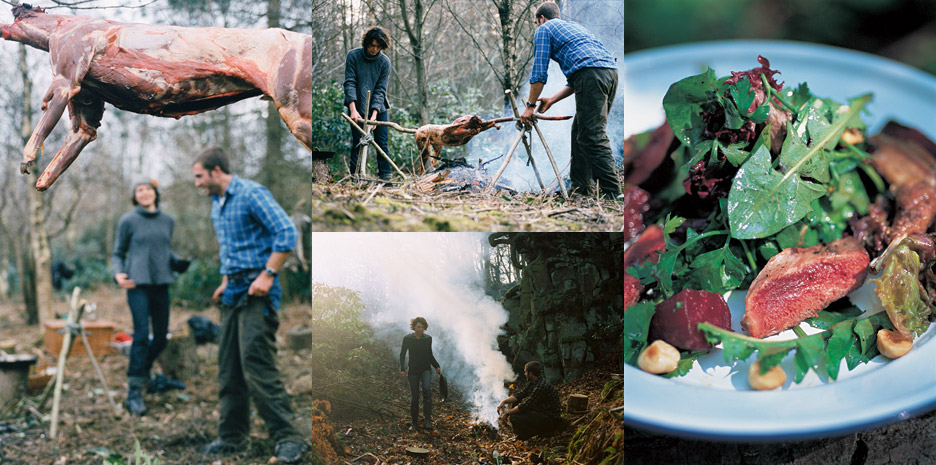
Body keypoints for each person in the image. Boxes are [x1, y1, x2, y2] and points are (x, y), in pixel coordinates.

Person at [191, 147, 306, 464]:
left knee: (257, 367)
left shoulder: (251, 193)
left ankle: (289, 438)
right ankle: (232, 437)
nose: (197, 184)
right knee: (228, 369)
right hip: (234, 292)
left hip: (259, 291)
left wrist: (268, 274)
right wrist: (226, 281)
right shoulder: (217, 203)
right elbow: (230, 248)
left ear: (216, 172)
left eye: (199, 176)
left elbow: (285, 232)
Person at [519, 1, 621, 199]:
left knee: (592, 135)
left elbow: (539, 73)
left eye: (536, 22)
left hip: (593, 75)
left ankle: (613, 193)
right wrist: (553, 99)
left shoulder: (544, 29)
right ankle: (579, 189)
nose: (537, 26)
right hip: (609, 74)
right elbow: (582, 75)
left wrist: (529, 107)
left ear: (541, 18)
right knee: (580, 133)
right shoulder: (575, 28)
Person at [112, 178, 180, 416]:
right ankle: (134, 392)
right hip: (136, 284)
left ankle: (145, 374)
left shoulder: (168, 220)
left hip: (161, 283)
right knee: (141, 336)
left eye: (148, 189)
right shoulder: (128, 220)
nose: (144, 193)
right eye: (139, 190)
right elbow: (118, 252)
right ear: (135, 196)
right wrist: (118, 274)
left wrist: (176, 261)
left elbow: (164, 249)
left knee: (160, 338)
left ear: (155, 193)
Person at [344, 26, 393, 181]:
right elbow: (349, 83)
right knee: (358, 143)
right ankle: (356, 177)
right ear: (366, 43)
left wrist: (374, 116)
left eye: (378, 47)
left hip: (379, 109)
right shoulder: (353, 56)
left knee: (381, 143)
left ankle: (385, 179)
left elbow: (380, 90)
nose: (374, 49)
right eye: (372, 45)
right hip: (357, 107)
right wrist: (352, 109)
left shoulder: (385, 62)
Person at [496, 361, 564, 441]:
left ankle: (531, 435)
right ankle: (532, 433)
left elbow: (525, 405)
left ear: (530, 373)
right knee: (515, 405)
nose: (524, 374)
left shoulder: (541, 387)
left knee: (515, 417)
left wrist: (507, 413)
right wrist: (503, 402)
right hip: (543, 414)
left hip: (551, 419)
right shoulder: (534, 383)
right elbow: (520, 394)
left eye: (525, 372)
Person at [399, 316, 442, 431]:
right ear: (414, 327)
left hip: (425, 369)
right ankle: (414, 422)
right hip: (413, 370)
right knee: (415, 397)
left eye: (422, 327)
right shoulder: (407, 338)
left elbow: (429, 354)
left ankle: (427, 420)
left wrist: (436, 366)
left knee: (427, 391)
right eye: (418, 326)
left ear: (424, 328)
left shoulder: (427, 339)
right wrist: (402, 369)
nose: (420, 329)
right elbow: (402, 354)